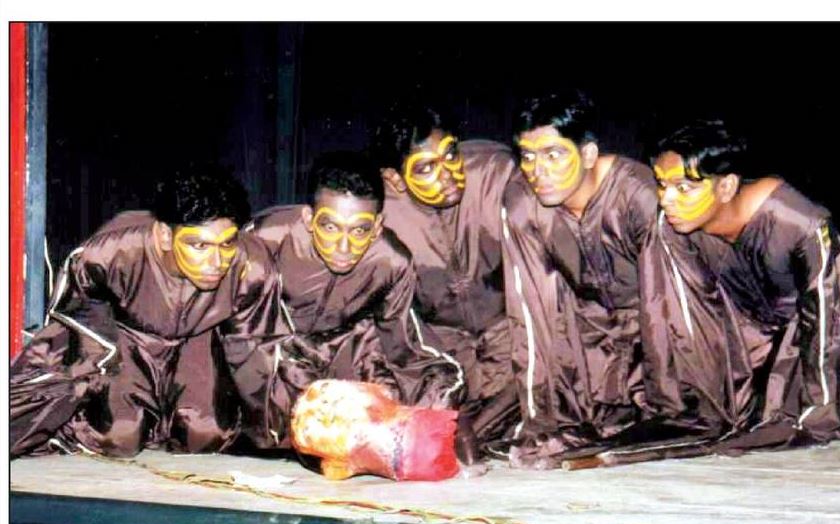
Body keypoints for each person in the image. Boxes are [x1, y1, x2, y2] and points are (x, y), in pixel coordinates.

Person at [502, 92, 748, 468]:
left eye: (553, 155)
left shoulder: (638, 194)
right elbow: (531, 310)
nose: (538, 171)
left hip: (672, 327)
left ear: (587, 154)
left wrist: (675, 406)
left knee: (692, 419)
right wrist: (542, 418)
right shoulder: (522, 203)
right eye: (528, 156)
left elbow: (667, 303)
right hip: (595, 336)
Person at [10, 166, 285, 458]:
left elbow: (257, 349)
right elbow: (78, 319)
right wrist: (97, 371)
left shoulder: (252, 266)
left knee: (206, 434)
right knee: (118, 436)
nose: (216, 262)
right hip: (125, 339)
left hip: (199, 341)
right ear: (165, 235)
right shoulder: (110, 253)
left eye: (227, 243)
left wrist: (283, 419)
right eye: (199, 245)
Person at [650, 119, 840, 447]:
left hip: (823, 325)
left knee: (789, 423)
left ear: (726, 187)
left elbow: (825, 315)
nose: (666, 199)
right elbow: (695, 315)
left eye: (683, 188)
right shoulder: (673, 227)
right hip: (751, 328)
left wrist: (817, 412)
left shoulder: (798, 221)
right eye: (662, 185)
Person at [244, 150, 463, 451]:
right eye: (330, 227)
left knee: (435, 387)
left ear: (377, 226)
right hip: (273, 350)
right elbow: (243, 332)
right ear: (308, 218)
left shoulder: (391, 261)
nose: (344, 246)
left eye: (360, 230)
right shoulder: (266, 239)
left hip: (343, 350)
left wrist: (443, 415)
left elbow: (404, 346)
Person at [372, 104, 519, 461]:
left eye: (450, 154)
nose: (449, 174)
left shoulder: (496, 172)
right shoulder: (379, 215)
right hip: (444, 348)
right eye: (426, 168)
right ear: (394, 178)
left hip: (511, 331)